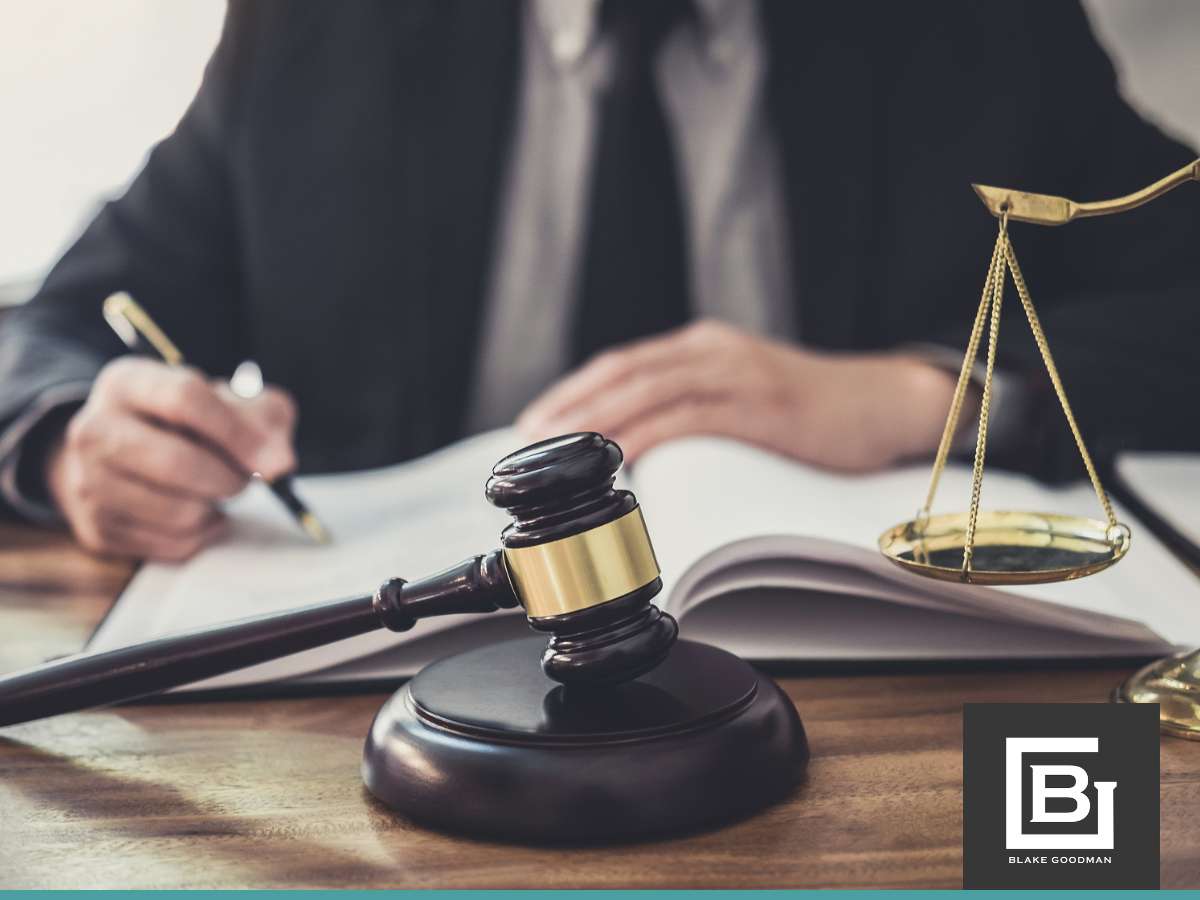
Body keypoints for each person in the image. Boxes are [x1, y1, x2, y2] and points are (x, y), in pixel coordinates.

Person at [1, 0, 1197, 561]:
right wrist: (71, 440)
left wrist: (926, 398)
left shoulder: (975, 26)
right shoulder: (314, 30)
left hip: (873, 680)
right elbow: (53, 328)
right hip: (380, 683)